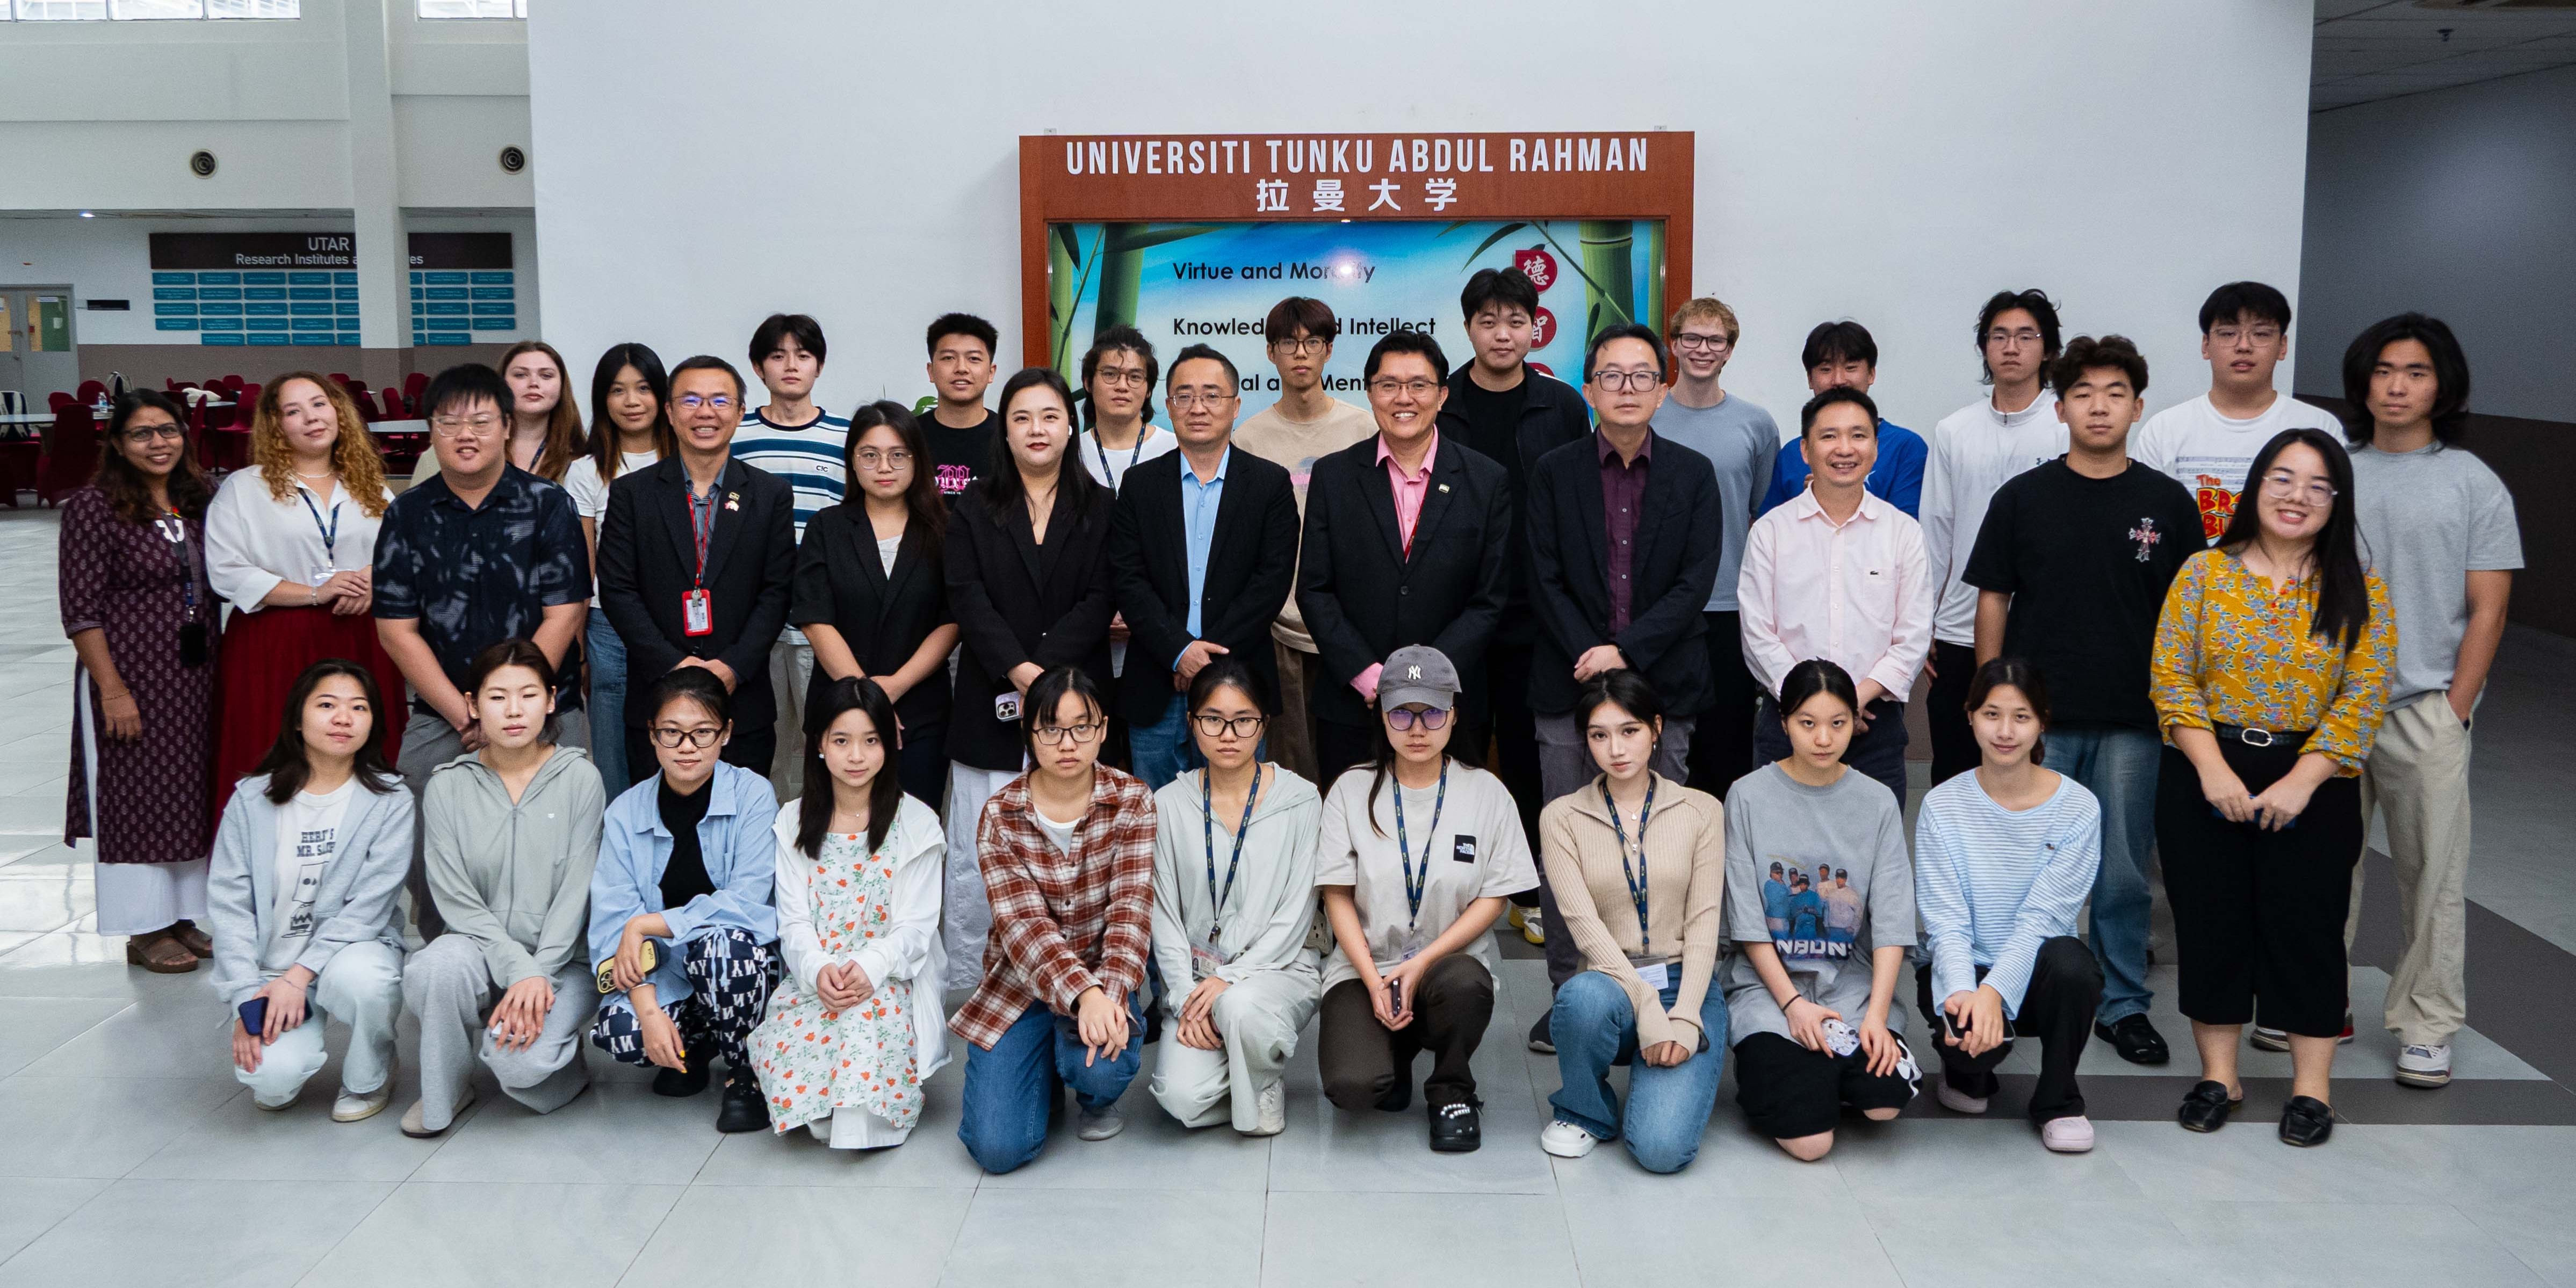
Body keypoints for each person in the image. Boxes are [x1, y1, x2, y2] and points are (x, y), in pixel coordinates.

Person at [2152, 427, 2394, 1147]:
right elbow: (2170, 678)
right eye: (2281, 479)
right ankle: (2218, 1076)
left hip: (2313, 779)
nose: (2296, 497)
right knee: (2209, 921)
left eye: (2317, 485)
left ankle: (2309, 1089)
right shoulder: (2202, 573)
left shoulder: (2359, 588)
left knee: (2307, 929)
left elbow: (2362, 696)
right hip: (2205, 768)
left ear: (2336, 501)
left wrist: (2301, 779)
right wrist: (2211, 767)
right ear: (2254, 488)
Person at [1964, 335, 2201, 1068]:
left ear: (2136, 404)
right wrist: (1989, 702)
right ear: (2059, 407)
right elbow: (1992, 600)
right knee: (2018, 861)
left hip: (2133, 718)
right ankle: (2002, 995)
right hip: (2037, 720)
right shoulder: (2022, 497)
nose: (2098, 406)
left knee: (2123, 867)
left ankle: (2122, 1002)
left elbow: (2188, 615)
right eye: (2083, 393)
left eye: (2114, 392)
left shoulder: (2165, 502)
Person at [2336, 313, 2521, 1089]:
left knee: (2431, 876)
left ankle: (2425, 1022)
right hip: (2330, 706)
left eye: (2413, 372)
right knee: (2318, 867)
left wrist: (2453, 706)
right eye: (2382, 371)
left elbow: (2487, 607)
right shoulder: (2332, 469)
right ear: (2362, 382)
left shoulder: (2471, 481)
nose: (2396, 386)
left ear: (2440, 385)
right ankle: (2314, 999)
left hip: (2422, 708)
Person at [1523, 323, 1722, 1039]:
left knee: (1659, 844)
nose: (1627, 387)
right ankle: (1571, 994)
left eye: (1641, 375)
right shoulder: (1553, 469)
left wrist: (1622, 651)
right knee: (1568, 847)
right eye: (1611, 375)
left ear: (1663, 389)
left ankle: (1664, 983)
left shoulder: (1692, 474)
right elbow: (1540, 574)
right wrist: (1591, 650)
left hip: (1661, 684)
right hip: (1565, 683)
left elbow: (1692, 582)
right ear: (1587, 389)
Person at [374, 363, 590, 940]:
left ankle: (548, 968)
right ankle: (451, 957)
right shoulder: (406, 514)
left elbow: (565, 611)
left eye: (480, 421)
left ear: (506, 425)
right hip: (446, 714)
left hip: (549, 711)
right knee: (427, 836)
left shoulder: (548, 505)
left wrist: (517, 703)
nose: (465, 434)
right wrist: (470, 714)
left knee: (561, 848)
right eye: (449, 423)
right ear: (431, 432)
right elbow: (396, 628)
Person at [1314, 646, 1537, 1153]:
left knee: (1465, 984)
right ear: (1381, 715)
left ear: (1454, 716)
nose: (1417, 728)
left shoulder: (1486, 793)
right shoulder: (1350, 790)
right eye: (1402, 713)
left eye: (1432, 712)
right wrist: (1374, 979)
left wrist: (1421, 965)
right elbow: (1336, 894)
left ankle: (1452, 1087)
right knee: (1353, 1088)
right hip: (1363, 967)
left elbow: (1494, 899)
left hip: (1446, 965)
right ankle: (1393, 1051)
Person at [941, 368, 1116, 986]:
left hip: (1076, 701)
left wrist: (1046, 679)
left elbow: (1101, 596)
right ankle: (975, 977)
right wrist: (1019, 669)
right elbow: (966, 594)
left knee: (1073, 850)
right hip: (991, 694)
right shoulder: (973, 503)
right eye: (1022, 418)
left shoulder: (1099, 503)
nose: (1036, 429)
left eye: (1049, 416)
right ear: (1004, 430)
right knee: (977, 848)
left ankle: (1072, 978)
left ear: (1071, 426)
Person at [951, 667, 1156, 1173]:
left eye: (1081, 727)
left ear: (1103, 729)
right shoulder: (1000, 813)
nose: (1067, 743)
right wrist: (1079, 996)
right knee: (999, 1151)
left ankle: (1093, 1097)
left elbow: (1130, 914)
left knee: (1104, 1067)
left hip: (1104, 979)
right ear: (1029, 733)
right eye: (1050, 729)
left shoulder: (1133, 800)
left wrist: (1103, 997)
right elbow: (1024, 932)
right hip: (1019, 985)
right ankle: (1041, 1069)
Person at [401, 639, 606, 1138]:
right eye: (497, 697)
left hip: (562, 963)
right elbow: (454, 900)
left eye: (528, 695)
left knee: (518, 1068)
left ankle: (564, 1063)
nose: (514, 711)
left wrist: (538, 975)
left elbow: (576, 895)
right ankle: (447, 1088)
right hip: (479, 951)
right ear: (472, 705)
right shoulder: (447, 785)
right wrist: (516, 971)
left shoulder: (581, 779)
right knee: (434, 966)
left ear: (552, 700)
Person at [1435, 267, 1588, 933]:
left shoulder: (1559, 405)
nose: (1503, 333)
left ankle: (1526, 893)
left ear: (1535, 327)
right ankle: (1455, 891)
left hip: (1536, 611)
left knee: (1530, 755)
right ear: (1468, 327)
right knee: (1457, 750)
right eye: (1488, 321)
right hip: (1456, 610)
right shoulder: (1442, 401)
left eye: (1515, 321)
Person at [1722, 660, 1919, 1161]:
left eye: (1837, 723)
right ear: (1783, 721)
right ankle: (1792, 1076)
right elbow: (1747, 923)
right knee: (1811, 1143)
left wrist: (1876, 1016)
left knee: (1884, 1105)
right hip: (1771, 991)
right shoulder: (1746, 796)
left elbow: (1893, 920)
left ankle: (1823, 1072)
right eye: (1807, 723)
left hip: (1849, 987)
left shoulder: (1876, 801)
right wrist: (1792, 1006)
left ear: (1856, 721)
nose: (1823, 739)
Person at [1533, 670, 1729, 1173]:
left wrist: (1683, 1015)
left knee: (1662, 1152)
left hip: (1686, 982)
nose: (1615, 749)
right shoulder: (1560, 817)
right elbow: (1582, 926)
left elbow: (1705, 921)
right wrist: (1644, 1003)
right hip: (1611, 983)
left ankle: (1660, 1069)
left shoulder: (1702, 811)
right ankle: (1584, 1109)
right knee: (1580, 998)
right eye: (1599, 736)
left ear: (1656, 728)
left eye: (1629, 731)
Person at [1298, 330, 1513, 780]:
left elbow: (1488, 599)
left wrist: (1427, 680)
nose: (1404, 398)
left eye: (1419, 385)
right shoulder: (1334, 476)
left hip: (1451, 705)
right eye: (1388, 384)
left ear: (1442, 395)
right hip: (1355, 702)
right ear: (1370, 392)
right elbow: (1315, 590)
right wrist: (1369, 675)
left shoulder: (1485, 479)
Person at [204, 659, 413, 1120]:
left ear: (373, 723)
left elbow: (369, 908)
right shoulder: (251, 800)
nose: (343, 718)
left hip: (349, 953)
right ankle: (282, 1051)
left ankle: (371, 1073)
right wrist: (245, 999)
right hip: (268, 972)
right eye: (326, 705)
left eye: (359, 708)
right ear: (297, 719)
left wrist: (299, 976)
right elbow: (230, 909)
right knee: (271, 1082)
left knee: (365, 982)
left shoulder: (390, 801)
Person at [1913, 657, 2106, 1153]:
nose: (2005, 731)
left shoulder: (2078, 807)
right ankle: (1965, 1074)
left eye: (2020, 717)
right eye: (1991, 714)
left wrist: (1994, 994)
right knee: (1971, 1078)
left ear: (2041, 722)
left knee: (2073, 963)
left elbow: (2043, 918)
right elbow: (1945, 920)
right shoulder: (1942, 804)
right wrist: (1964, 993)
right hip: (1965, 967)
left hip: (2036, 969)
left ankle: (2059, 1100)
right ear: (1970, 716)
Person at [751, 676, 950, 1149]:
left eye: (870, 741)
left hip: (891, 976)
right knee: (813, 1098)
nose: (856, 756)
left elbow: (916, 930)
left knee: (860, 1049)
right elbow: (793, 921)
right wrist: (820, 969)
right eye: (841, 741)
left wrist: (869, 966)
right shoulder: (793, 821)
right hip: (817, 976)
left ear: (890, 744)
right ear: (820, 744)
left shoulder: (917, 823)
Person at [62, 391, 222, 973]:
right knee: (133, 796)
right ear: (117, 444)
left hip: (195, 676)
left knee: (186, 791)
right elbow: (79, 610)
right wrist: (113, 689)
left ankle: (181, 914)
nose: (158, 443)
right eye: (141, 434)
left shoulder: (199, 499)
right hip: (128, 675)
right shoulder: (94, 508)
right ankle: (142, 926)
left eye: (168, 430)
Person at [589, 668, 782, 1134]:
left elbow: (748, 903)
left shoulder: (754, 794)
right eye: (672, 733)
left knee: (720, 949)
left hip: (743, 965)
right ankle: (691, 1048)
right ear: (652, 736)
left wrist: (648, 923)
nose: (687, 747)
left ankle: (745, 1073)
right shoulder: (624, 812)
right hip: (664, 970)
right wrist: (648, 1010)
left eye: (702, 733)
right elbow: (614, 924)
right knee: (622, 1031)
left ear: (726, 734)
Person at [206, 372, 403, 822]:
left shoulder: (370, 486)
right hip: (275, 639)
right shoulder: (244, 489)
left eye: (319, 404)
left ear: (339, 412)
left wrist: (371, 581)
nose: (311, 418)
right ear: (276, 427)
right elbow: (226, 572)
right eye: (293, 411)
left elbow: (403, 553)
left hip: (361, 637)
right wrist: (317, 593)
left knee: (362, 758)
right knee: (275, 757)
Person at [595, 354, 797, 778]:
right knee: (657, 830)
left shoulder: (769, 493)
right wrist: (674, 665)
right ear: (668, 412)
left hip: (742, 701)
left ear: (741, 412)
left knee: (742, 827)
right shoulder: (632, 493)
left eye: (720, 401)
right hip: (656, 700)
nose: (705, 412)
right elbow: (617, 589)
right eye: (690, 400)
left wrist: (731, 667)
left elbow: (778, 590)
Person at [1109, 343, 1300, 789]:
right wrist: (1178, 650)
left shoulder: (1269, 484)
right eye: (1184, 396)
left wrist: (1203, 659)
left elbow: (1270, 584)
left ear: (1235, 406)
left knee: (1236, 812)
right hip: (1155, 682)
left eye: (1212, 395)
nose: (1198, 407)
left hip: (1239, 681)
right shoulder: (1138, 486)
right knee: (1155, 820)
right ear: (1168, 406)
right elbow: (1128, 578)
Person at [1147, 658, 1323, 1135]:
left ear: (1263, 725)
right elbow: (1162, 916)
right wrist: (1185, 998)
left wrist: (1229, 981)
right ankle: (1251, 1067)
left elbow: (1294, 917)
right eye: (1213, 719)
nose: (1228, 734)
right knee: (1181, 1101)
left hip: (1277, 969)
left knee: (1240, 1007)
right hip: (1197, 980)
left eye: (1243, 720)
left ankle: (1261, 1077)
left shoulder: (1300, 800)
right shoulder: (1166, 803)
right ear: (1192, 724)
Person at [1738, 387, 1932, 803]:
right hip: (1786, 721)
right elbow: (1757, 633)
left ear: (1876, 448)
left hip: (1874, 723)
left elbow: (1912, 636)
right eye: (1829, 436)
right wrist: (1813, 709)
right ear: (1805, 450)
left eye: (1858, 435)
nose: (1844, 448)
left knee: (1872, 859)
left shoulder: (1903, 534)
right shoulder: (1770, 532)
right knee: (1780, 861)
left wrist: (1849, 703)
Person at [1920, 291, 2066, 785]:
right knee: (1957, 769)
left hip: (2043, 624)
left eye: (2026, 336)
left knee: (2040, 773)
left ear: (2047, 350)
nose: (2011, 347)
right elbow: (1936, 530)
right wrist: (1926, 625)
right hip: (1961, 628)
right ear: (1984, 348)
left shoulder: (2066, 427)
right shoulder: (1953, 430)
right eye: (1998, 336)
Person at [1232, 296, 1380, 783]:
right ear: (1270, 352)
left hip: (1352, 626)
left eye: (1312, 342)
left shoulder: (1364, 428)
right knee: (1291, 768)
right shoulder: (1248, 438)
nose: (1300, 353)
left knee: (1356, 768)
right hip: (1279, 628)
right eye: (1288, 343)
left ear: (1329, 350)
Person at [793, 402, 958, 807]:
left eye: (898, 455)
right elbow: (816, 620)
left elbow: (952, 619)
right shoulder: (826, 528)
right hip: (838, 709)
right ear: (852, 461)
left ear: (918, 460)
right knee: (834, 830)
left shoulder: (945, 531)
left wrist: (894, 687)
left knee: (914, 832)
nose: (884, 466)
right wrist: (864, 693)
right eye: (870, 455)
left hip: (919, 709)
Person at [1650, 296, 1780, 799]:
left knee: (1726, 745)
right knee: (1661, 745)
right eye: (1691, 339)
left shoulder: (1757, 424)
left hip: (1729, 603)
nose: (1702, 349)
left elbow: (1754, 505)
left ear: (1729, 351)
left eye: (1715, 341)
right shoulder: (1647, 415)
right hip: (1659, 605)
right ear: (1673, 345)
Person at [732, 313, 853, 797]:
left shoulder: (846, 437)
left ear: (818, 366)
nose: (791, 366)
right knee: (764, 744)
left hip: (821, 618)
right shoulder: (733, 436)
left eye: (803, 356)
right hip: (752, 616)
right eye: (778, 356)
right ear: (758, 368)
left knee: (822, 739)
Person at [2133, 281, 2342, 544]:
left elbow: (2339, 525)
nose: (2244, 346)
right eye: (2228, 333)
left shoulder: (2320, 427)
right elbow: (2146, 528)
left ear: (2283, 346)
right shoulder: (2164, 430)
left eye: (2262, 334)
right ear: (2206, 345)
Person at [562, 343, 676, 800]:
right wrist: (580, 644)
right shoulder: (586, 471)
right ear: (602, 400)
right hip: (607, 620)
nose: (632, 401)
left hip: (672, 617)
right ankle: (617, 823)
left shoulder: (684, 460)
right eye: (618, 390)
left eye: (644, 388)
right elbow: (583, 559)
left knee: (673, 721)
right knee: (609, 730)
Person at [1757, 321, 1927, 517]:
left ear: (1871, 373)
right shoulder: (1790, 454)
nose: (1838, 380)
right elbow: (1773, 527)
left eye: (1850, 367)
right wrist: (1808, 504)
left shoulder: (1906, 448)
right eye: (1826, 369)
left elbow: (1906, 529)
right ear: (1810, 379)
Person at [410, 339, 585, 486]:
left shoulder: (582, 455)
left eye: (546, 376)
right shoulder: (453, 448)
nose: (534, 383)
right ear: (501, 384)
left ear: (562, 387)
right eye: (521, 375)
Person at [1077, 324, 1174, 493]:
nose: (1122, 386)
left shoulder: (1174, 450)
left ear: (1149, 389)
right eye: (1110, 374)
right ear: (1088, 382)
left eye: (1135, 377)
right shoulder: (1072, 454)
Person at [922, 313, 1003, 501]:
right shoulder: (908, 436)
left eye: (974, 359)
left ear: (991, 372)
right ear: (931, 371)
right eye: (949, 358)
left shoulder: (1009, 437)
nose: (961, 368)